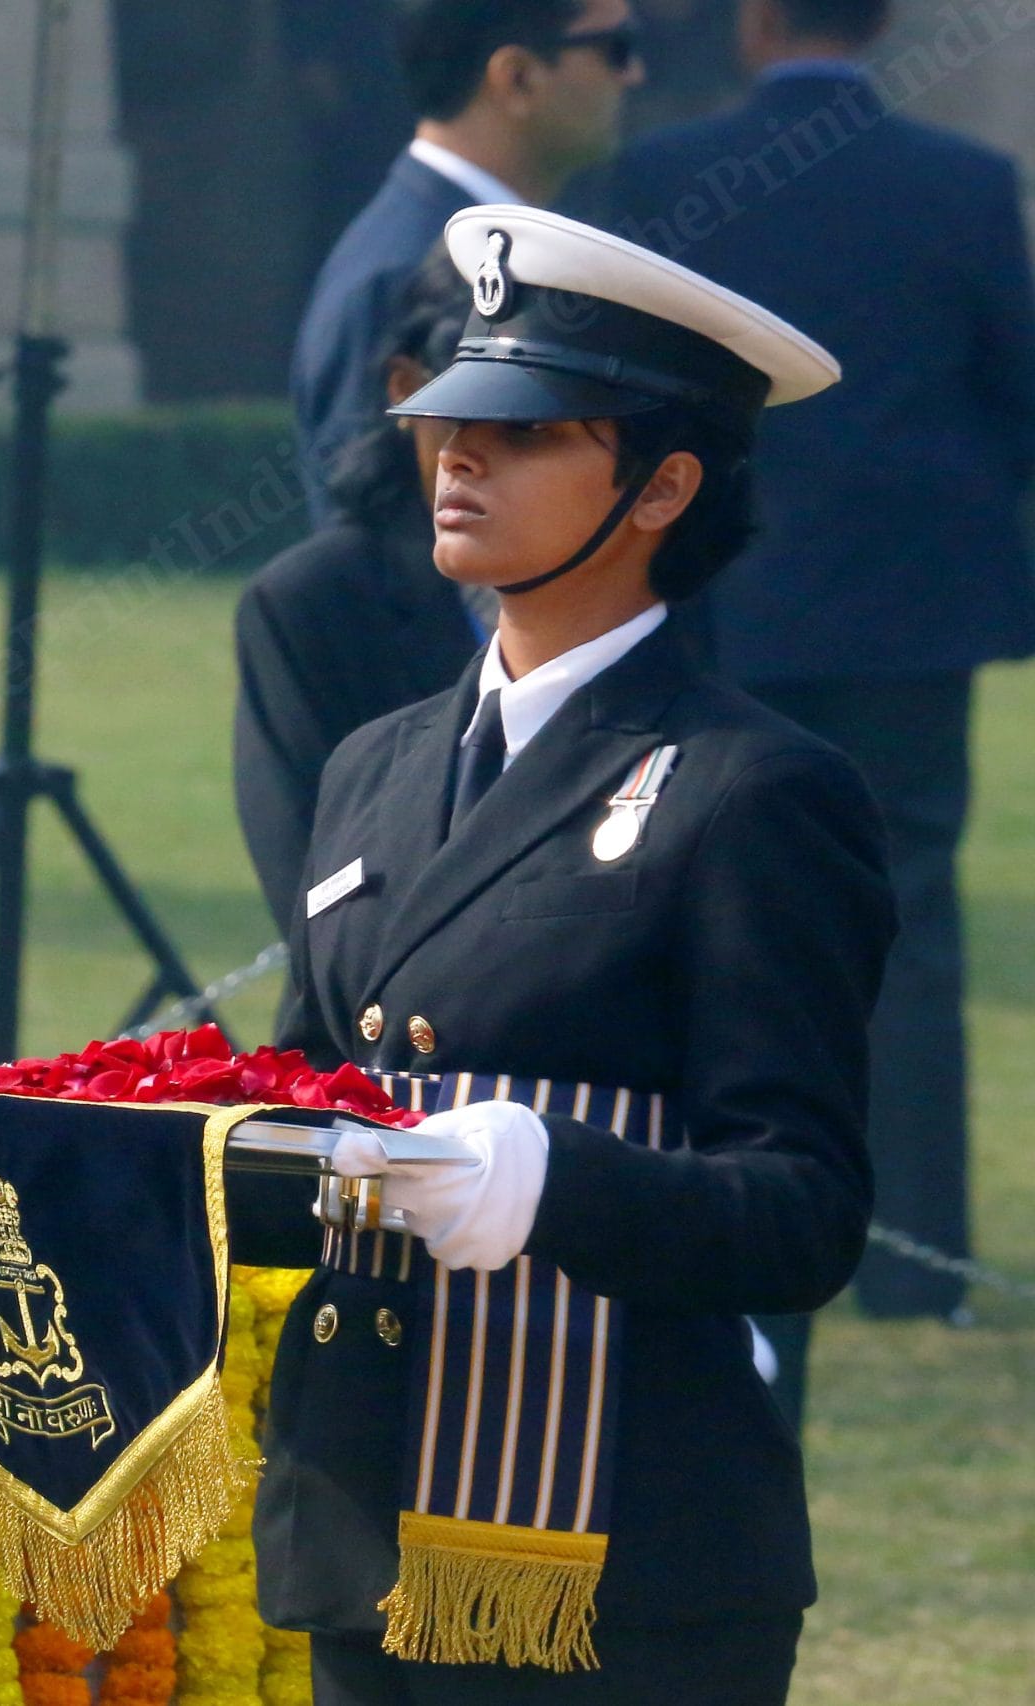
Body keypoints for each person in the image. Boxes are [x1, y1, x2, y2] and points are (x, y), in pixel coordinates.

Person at [234, 207, 894, 1703]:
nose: (459, 455)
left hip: (612, 1547)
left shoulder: (753, 789)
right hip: (363, 1501)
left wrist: (548, 1179)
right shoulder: (375, 765)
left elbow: (800, 1211)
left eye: (525, 433)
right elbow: (306, 1079)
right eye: (452, 418)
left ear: (665, 483)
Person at [595, 0, 1035, 1365]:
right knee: (910, 920)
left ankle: (727, 1208)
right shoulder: (967, 184)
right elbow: (1015, 398)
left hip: (728, 607)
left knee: (708, 917)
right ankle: (919, 1254)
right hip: (913, 616)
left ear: (754, 27)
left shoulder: (661, 178)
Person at [292, 0, 643, 521]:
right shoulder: (399, 273)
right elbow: (372, 546)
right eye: (615, 49)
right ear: (517, 78)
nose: (633, 75)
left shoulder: (468, 247)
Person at [237, 254, 485, 941]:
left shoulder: (635, 586)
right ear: (404, 389)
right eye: (465, 411)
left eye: (537, 427)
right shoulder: (311, 605)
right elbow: (322, 903)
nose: (487, 455)